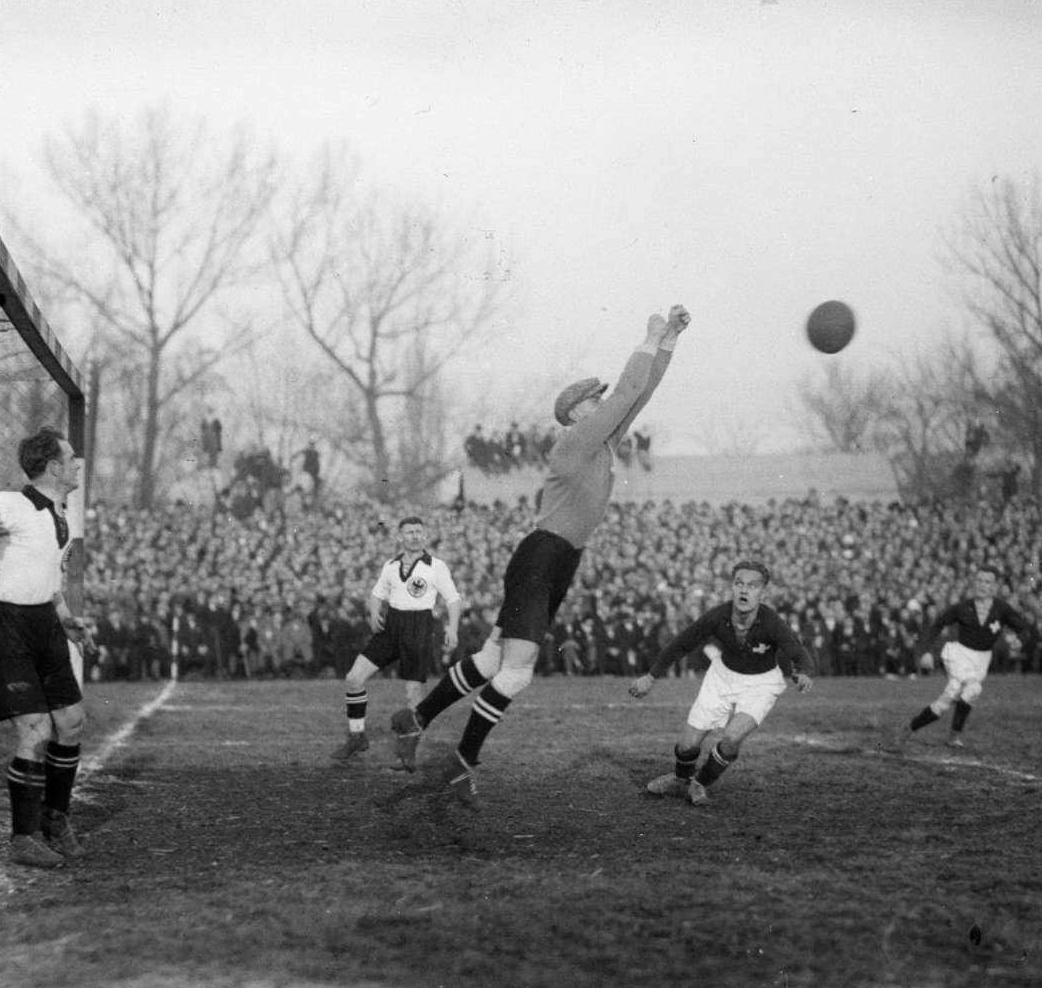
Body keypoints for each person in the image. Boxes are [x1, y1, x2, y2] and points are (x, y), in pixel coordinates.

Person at [389, 304, 690, 806]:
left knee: (491, 659)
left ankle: (414, 719)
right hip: (542, 556)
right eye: (595, 400)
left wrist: (669, 343)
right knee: (516, 672)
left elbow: (642, 391)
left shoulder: (600, 444)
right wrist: (649, 335)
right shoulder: (576, 442)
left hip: (558, 560)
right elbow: (628, 392)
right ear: (576, 413)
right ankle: (461, 762)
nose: (603, 403)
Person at [0, 426, 97, 869]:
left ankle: (55, 820)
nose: (75, 465)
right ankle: (22, 837)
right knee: (36, 730)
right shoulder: (13, 503)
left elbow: (51, 577)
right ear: (52, 467)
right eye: (70, 458)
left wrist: (65, 619)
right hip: (9, 625)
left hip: (46, 622)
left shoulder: (60, 514)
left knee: (72, 721)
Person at [630, 560, 815, 806]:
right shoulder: (718, 615)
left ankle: (700, 783)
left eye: (752, 585)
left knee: (731, 738)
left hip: (761, 684)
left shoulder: (771, 622)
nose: (744, 590)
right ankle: (680, 780)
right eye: (739, 584)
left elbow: (798, 651)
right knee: (687, 746)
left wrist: (804, 672)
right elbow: (682, 643)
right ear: (732, 587)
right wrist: (651, 677)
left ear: (763, 593)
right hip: (722, 677)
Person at [334, 516, 462, 759]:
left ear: (424, 536)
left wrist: (452, 628)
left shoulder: (436, 566)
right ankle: (357, 737)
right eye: (409, 532)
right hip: (391, 626)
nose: (415, 535)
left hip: (419, 626)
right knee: (353, 678)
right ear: (399, 537)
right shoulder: (390, 565)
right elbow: (376, 594)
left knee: (413, 693)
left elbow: (453, 599)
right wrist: (374, 613)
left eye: (418, 531)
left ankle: (409, 749)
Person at [883, 565, 1031, 750]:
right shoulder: (962, 607)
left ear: (994, 586)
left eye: (987, 582)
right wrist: (927, 651)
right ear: (973, 582)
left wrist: (1020, 640)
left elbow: (1024, 629)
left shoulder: (1001, 609)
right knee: (970, 688)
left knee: (959, 696)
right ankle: (917, 732)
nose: (982, 585)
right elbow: (937, 625)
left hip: (982, 660)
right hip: (959, 654)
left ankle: (932, 732)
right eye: (979, 580)